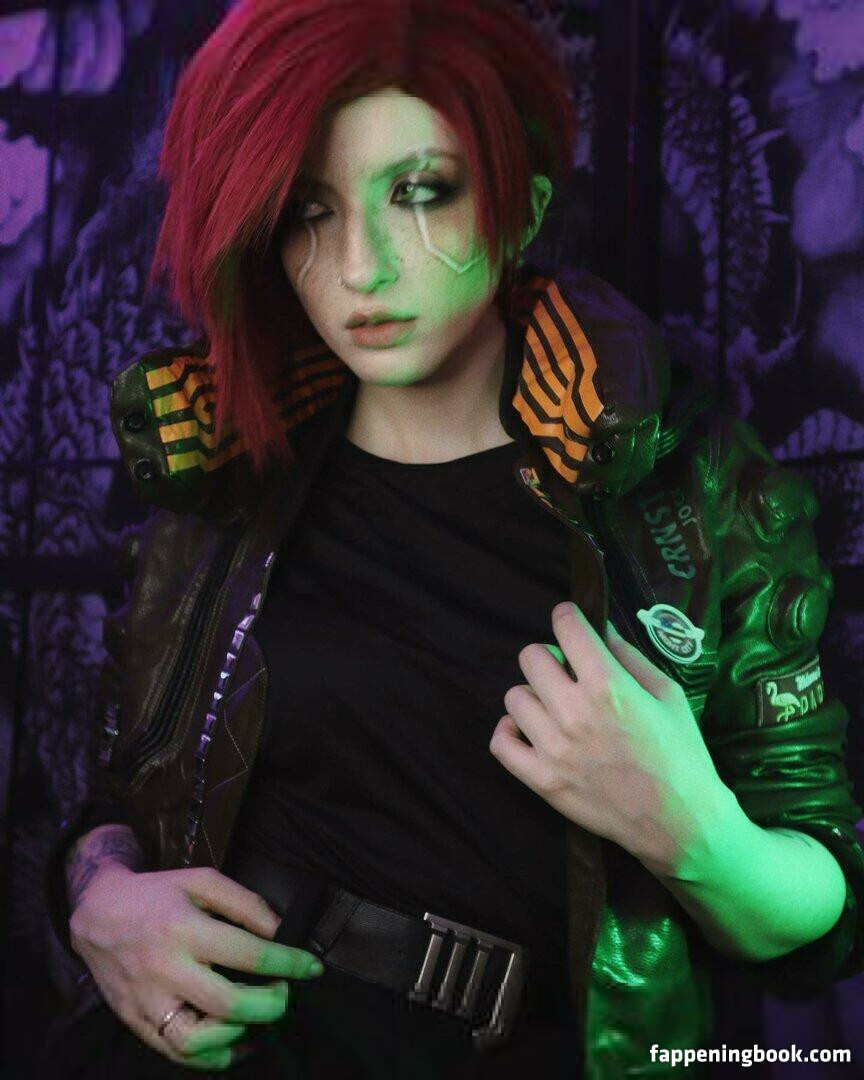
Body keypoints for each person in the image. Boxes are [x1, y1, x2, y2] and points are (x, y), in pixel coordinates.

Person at [40, 0, 864, 1077]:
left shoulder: (694, 492)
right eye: (309, 211)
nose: (361, 267)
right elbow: (123, 804)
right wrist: (99, 898)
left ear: (520, 208)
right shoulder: (229, 491)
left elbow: (824, 905)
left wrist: (691, 830)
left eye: (421, 191)